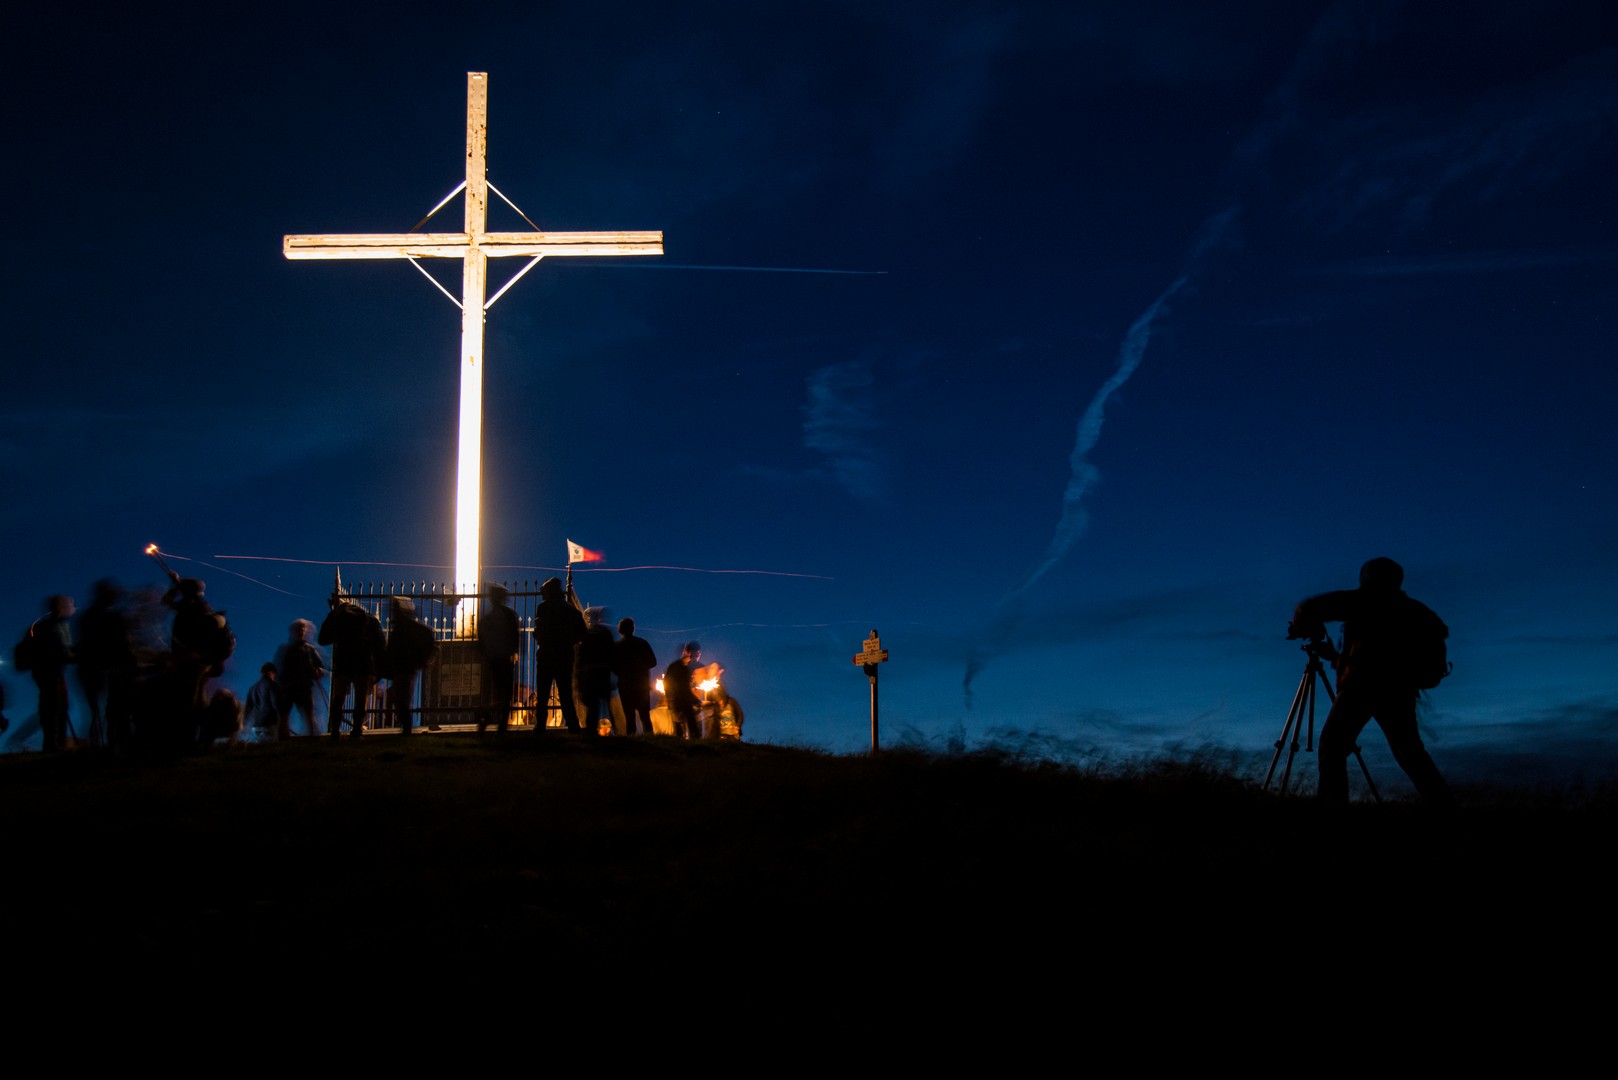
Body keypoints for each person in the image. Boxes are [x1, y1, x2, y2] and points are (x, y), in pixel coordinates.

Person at [1289, 557, 1456, 807]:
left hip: (1362, 687)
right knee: (1410, 754)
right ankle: (1445, 806)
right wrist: (1336, 657)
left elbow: (1307, 608)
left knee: (1332, 747)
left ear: (1367, 578)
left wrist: (1303, 627)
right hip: (1399, 689)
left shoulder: (1363, 601)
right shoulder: (1412, 609)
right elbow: (1376, 652)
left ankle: (1332, 811)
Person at [76, 579, 135, 750]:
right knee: (116, 707)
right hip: (109, 668)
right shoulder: (112, 616)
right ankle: (117, 742)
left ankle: (98, 744)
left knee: (96, 710)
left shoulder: (88, 616)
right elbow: (122, 643)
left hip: (90, 668)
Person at [320, 595, 385, 740]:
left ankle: (335, 732)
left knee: (338, 698)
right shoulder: (369, 620)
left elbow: (323, 639)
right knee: (361, 699)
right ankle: (356, 731)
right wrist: (378, 669)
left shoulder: (338, 619)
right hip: (363, 663)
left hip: (343, 662)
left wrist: (332, 616)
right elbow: (380, 645)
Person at [532, 577, 585, 732]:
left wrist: (540, 637)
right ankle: (573, 725)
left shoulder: (544, 608)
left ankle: (540, 725)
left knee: (543, 693)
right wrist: (568, 641)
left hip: (547, 654)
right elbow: (582, 633)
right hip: (564, 655)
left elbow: (539, 630)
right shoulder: (571, 611)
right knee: (566, 692)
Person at [387, 597, 439, 735]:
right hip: (407, 667)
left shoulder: (402, 628)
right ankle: (406, 728)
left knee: (402, 700)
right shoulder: (411, 627)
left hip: (403, 667)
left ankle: (406, 729)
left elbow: (392, 648)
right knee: (402, 700)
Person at [31, 595, 76, 752]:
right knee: (55, 706)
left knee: (52, 706)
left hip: (45, 672)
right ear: (61, 608)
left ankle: (54, 741)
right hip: (51, 672)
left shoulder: (42, 627)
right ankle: (55, 743)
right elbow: (62, 652)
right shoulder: (55, 628)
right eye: (71, 605)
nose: (73, 608)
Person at [478, 585, 520, 733]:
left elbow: (481, 640)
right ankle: (501, 723)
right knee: (505, 693)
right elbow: (515, 637)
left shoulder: (486, 618)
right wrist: (514, 651)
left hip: (491, 658)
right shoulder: (509, 615)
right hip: (504, 658)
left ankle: (485, 718)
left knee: (491, 692)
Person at [274, 619, 326, 738]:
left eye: (303, 629)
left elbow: (320, 666)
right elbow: (279, 669)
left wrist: (317, 671)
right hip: (289, 688)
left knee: (308, 715)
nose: (302, 631)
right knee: (285, 715)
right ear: (293, 632)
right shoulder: (286, 649)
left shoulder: (309, 649)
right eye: (299, 629)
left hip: (304, 687)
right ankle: (284, 738)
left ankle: (312, 738)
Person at [575, 607, 616, 734]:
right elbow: (612, 654)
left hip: (591, 674)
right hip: (603, 673)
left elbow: (581, 657)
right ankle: (616, 732)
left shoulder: (587, 635)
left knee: (593, 707)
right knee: (608, 706)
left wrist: (579, 676)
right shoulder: (606, 633)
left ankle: (591, 732)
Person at [613, 617, 657, 735]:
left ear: (620, 630)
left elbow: (612, 666)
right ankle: (652, 741)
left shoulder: (617, 646)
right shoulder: (642, 643)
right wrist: (640, 667)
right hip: (641, 686)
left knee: (629, 718)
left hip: (625, 686)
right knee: (645, 716)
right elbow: (653, 662)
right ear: (633, 629)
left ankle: (631, 744)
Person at [663, 641, 702, 740]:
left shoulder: (675, 666)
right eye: (696, 653)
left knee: (678, 730)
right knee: (691, 726)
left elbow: (667, 684)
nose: (697, 656)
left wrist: (669, 700)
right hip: (681, 702)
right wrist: (696, 701)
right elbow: (683, 688)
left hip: (674, 701)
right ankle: (696, 748)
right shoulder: (681, 668)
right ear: (688, 653)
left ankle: (679, 749)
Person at [243, 662, 287, 741]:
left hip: (256, 726)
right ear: (271, 673)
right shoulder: (273, 685)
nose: (274, 677)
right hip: (269, 724)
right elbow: (276, 704)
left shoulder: (252, 688)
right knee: (272, 748)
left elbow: (248, 708)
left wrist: (244, 724)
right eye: (274, 674)